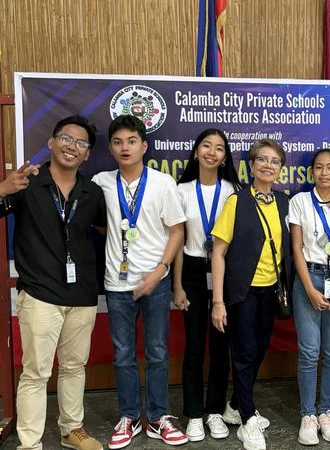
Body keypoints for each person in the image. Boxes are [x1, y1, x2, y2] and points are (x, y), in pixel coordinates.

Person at [0, 115, 106, 450]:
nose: (72, 146)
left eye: (80, 143)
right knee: (36, 373)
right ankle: (30, 443)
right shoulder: (27, 183)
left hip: (82, 294)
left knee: (74, 367)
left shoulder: (92, 192)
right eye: (66, 138)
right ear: (51, 142)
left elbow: (106, 231)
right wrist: (2, 189)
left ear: (87, 154)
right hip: (40, 294)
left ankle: (71, 429)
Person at [92, 115, 187, 448]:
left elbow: (177, 231)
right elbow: (100, 225)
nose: (125, 148)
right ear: (110, 148)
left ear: (144, 146)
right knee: (123, 355)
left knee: (157, 352)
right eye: (118, 142)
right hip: (116, 283)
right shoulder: (101, 182)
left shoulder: (163, 183)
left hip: (155, 281)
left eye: (132, 141)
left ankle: (158, 418)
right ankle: (130, 417)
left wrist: (159, 271)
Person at [211, 139, 291, 450]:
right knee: (244, 352)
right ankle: (247, 418)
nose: (269, 165)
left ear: (280, 169)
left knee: (259, 348)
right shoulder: (237, 201)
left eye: (275, 161)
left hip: (271, 291)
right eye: (263, 159)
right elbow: (219, 252)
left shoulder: (285, 202)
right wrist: (218, 301)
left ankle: (235, 405)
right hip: (241, 291)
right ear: (252, 165)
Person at [173, 128, 240, 442]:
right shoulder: (181, 190)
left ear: (225, 157)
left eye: (219, 148)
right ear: (196, 152)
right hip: (192, 271)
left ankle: (214, 411)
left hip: (223, 272)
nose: (212, 152)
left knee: (220, 345)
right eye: (206, 146)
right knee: (194, 345)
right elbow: (176, 241)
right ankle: (194, 414)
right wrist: (177, 285)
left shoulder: (233, 191)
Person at [289, 149, 330, 446]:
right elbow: (296, 249)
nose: (324, 173)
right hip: (309, 277)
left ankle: (325, 411)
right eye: (319, 167)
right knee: (309, 351)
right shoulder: (300, 201)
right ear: (312, 172)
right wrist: (309, 288)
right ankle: (308, 414)